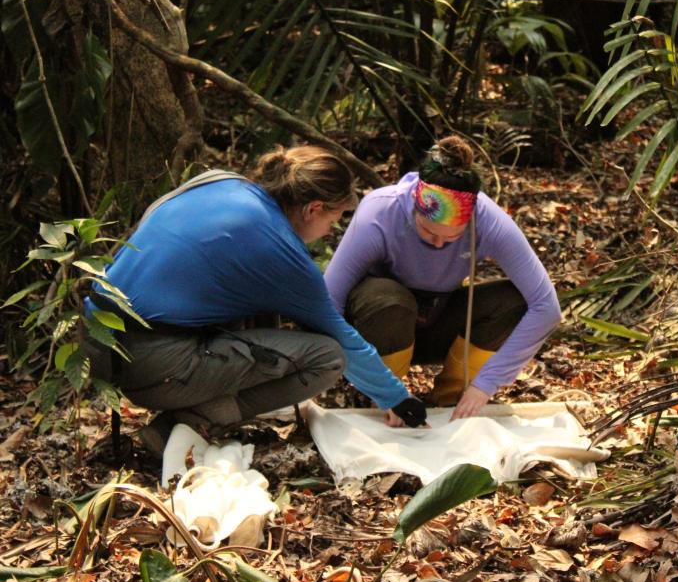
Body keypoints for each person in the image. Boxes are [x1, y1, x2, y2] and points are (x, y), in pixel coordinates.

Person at [85, 145, 429, 456]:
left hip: (100, 343)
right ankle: (188, 423)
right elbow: (343, 341)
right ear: (313, 208)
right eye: (335, 219)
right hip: (151, 364)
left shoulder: (219, 182)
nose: (332, 231)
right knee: (327, 358)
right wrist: (398, 400)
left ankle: (183, 414)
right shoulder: (279, 249)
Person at [323, 135, 561, 424]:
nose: (438, 244)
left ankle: (453, 400)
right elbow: (326, 303)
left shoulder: (489, 221)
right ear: (414, 203)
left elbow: (546, 307)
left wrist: (485, 384)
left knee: (515, 302)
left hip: (437, 318)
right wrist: (383, 389)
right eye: (428, 232)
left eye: (452, 237)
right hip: (380, 326)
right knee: (390, 300)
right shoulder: (381, 212)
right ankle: (381, 399)